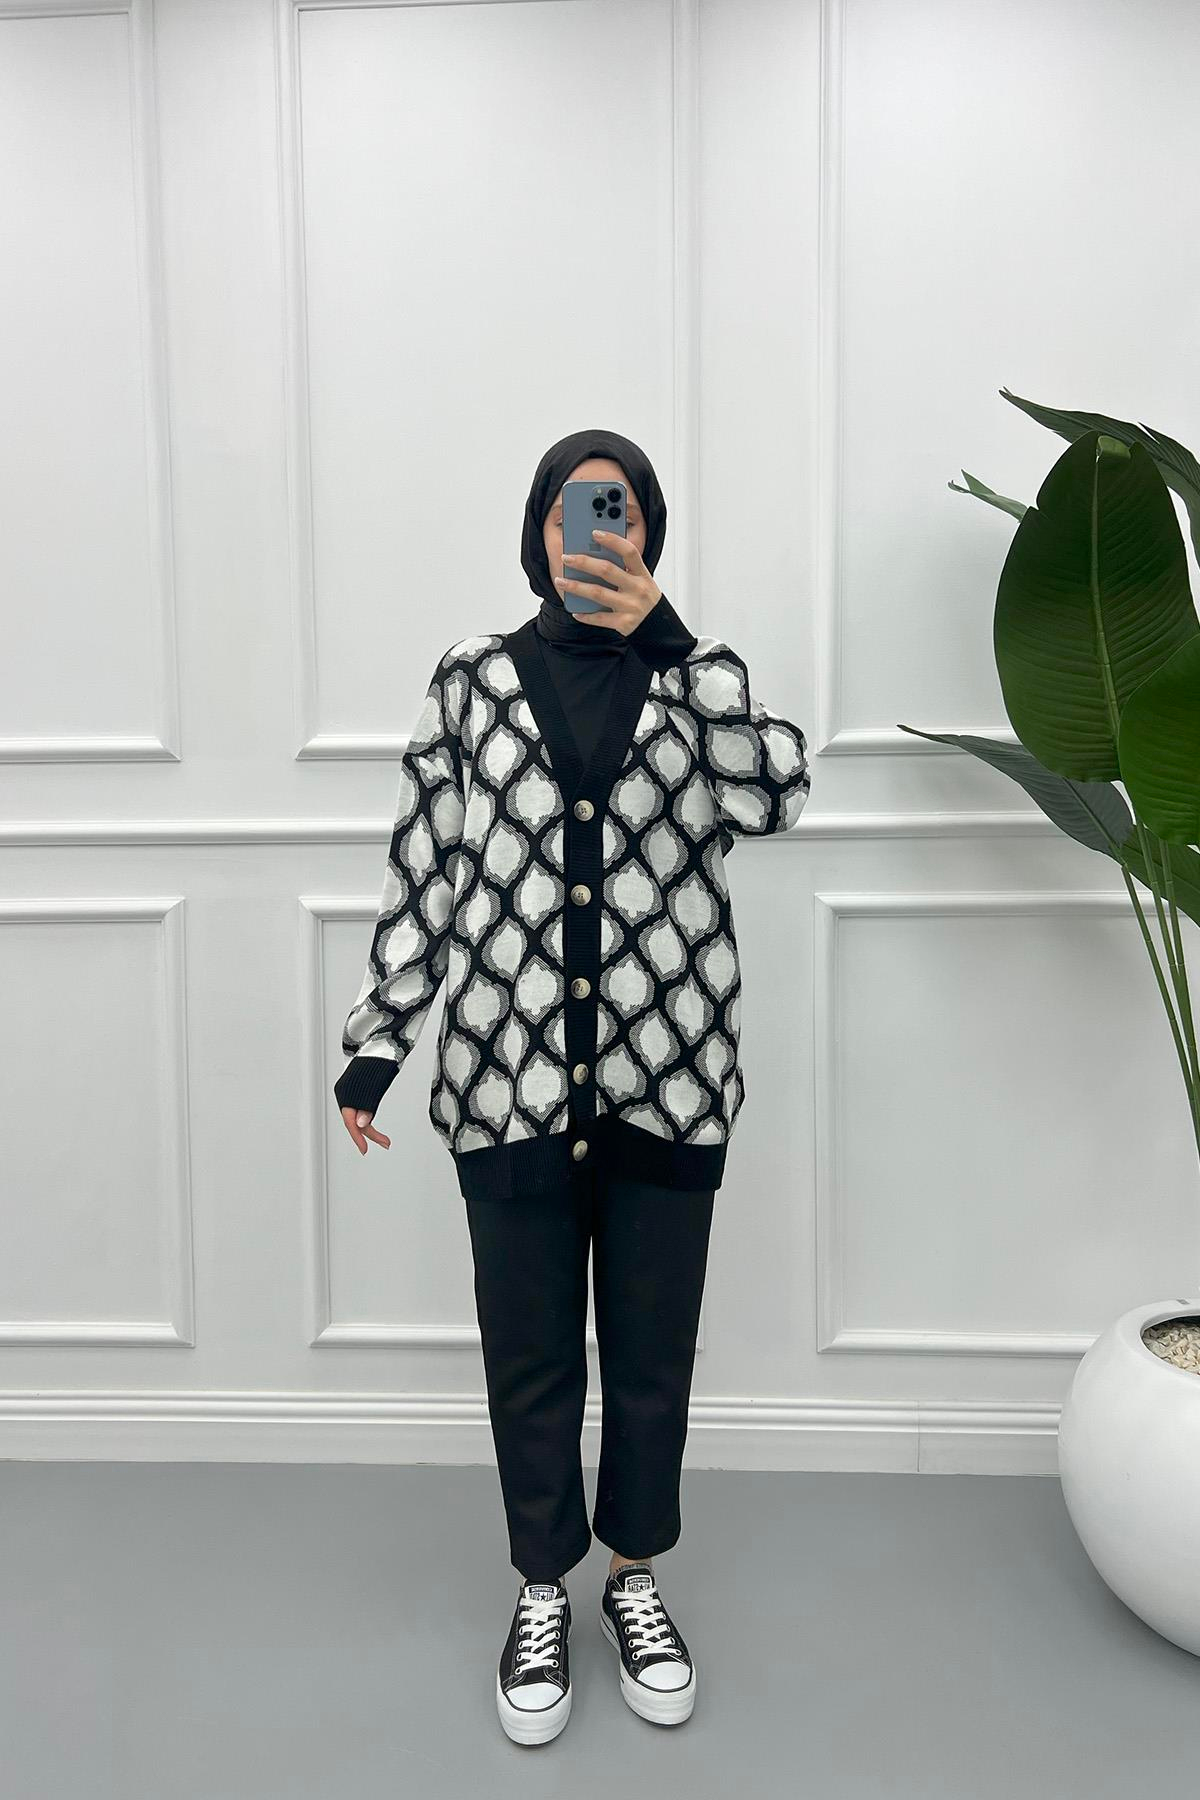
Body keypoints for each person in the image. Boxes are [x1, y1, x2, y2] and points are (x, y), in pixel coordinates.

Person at [332, 428, 811, 1743]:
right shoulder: (471, 683)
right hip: (509, 1080)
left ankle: (632, 1578)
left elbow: (776, 796)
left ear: (646, 531)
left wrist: (674, 641)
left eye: (620, 509)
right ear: (538, 529)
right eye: (570, 509)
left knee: (651, 1360)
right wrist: (381, 1038)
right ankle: (541, 1586)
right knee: (531, 1357)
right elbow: (428, 866)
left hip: (668, 1078)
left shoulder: (696, 676)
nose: (594, 530)